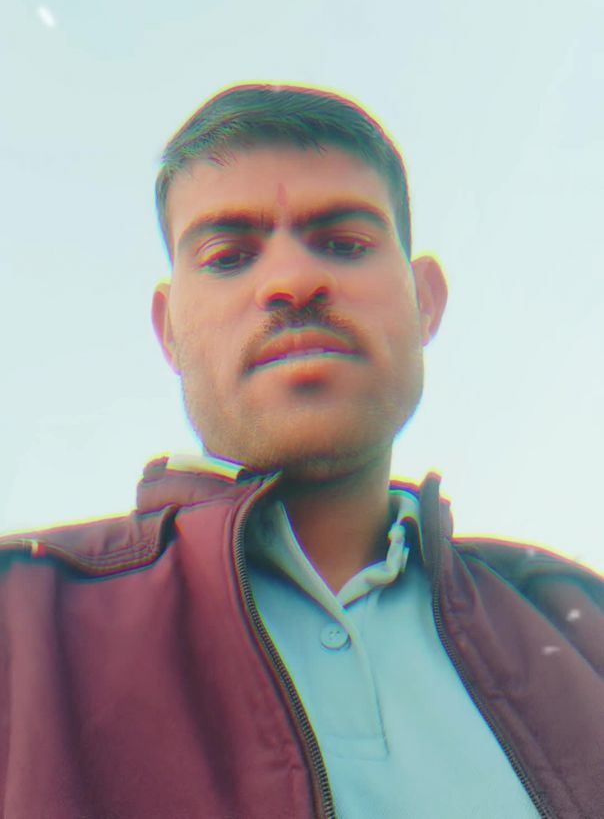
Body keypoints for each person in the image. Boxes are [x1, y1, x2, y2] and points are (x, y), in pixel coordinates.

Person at [0, 84, 602, 819]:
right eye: (228, 257)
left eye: (345, 244)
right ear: (169, 331)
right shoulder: (20, 621)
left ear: (426, 300)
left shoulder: (580, 623)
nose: (292, 282)